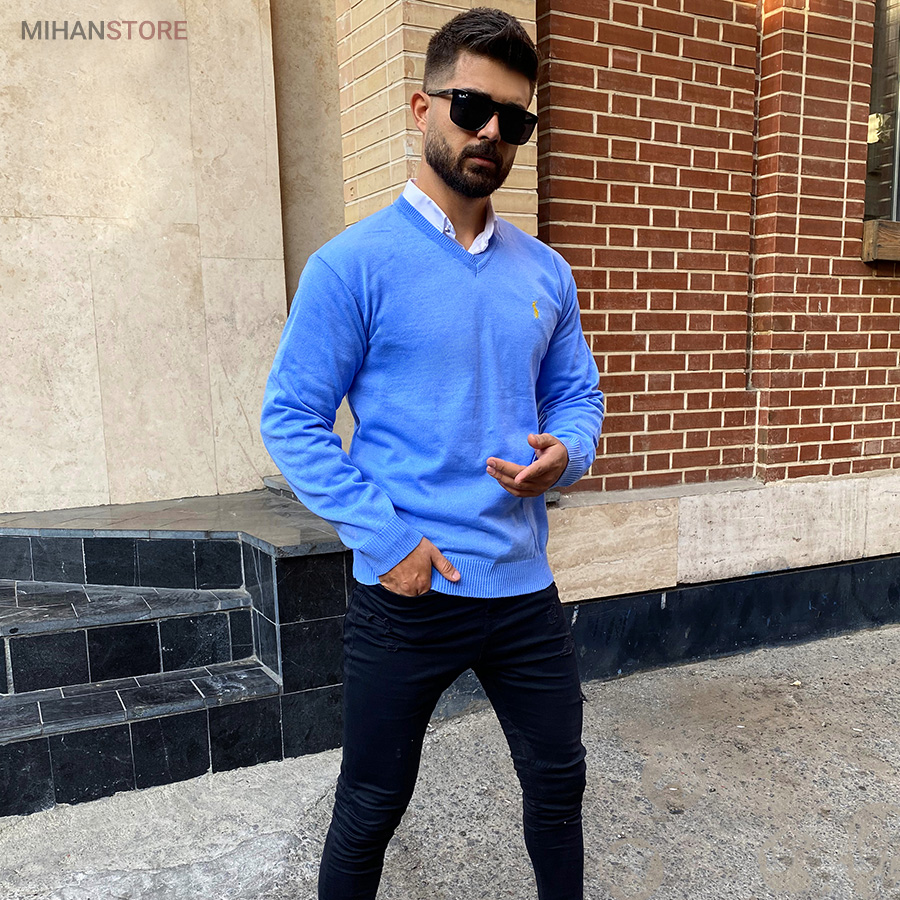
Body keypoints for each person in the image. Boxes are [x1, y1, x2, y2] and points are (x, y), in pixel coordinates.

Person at [260, 8, 604, 898]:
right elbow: (292, 419)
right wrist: (388, 542)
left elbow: (577, 396)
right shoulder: (352, 266)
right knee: (371, 804)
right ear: (422, 109)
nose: (491, 133)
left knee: (560, 787)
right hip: (408, 592)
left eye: (514, 119)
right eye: (471, 107)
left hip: (522, 587)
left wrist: (566, 452)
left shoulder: (546, 272)